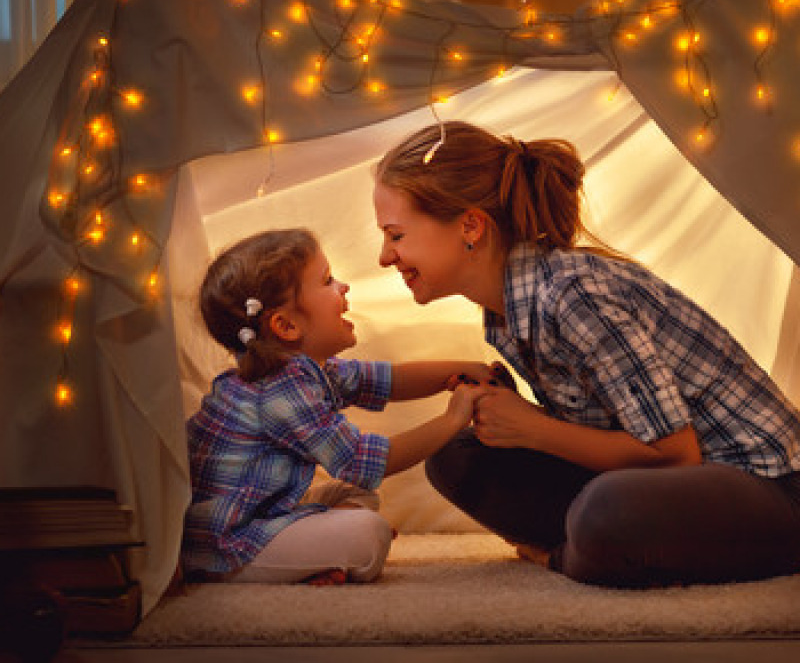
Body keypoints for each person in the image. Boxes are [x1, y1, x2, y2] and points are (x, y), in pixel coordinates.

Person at [373, 120, 800, 588]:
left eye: (396, 235)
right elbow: (606, 428)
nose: (385, 257)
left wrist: (534, 429)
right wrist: (508, 416)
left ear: (470, 226)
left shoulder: (575, 295)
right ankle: (597, 548)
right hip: (669, 485)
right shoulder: (504, 316)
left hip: (766, 486)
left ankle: (569, 557)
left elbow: (676, 455)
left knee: (608, 511)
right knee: (454, 457)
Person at [181, 227, 491, 586]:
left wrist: (462, 369)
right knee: (368, 535)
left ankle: (319, 553)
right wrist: (454, 419)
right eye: (327, 280)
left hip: (263, 511)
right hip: (228, 542)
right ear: (285, 325)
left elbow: (387, 380)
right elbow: (362, 462)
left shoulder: (305, 371)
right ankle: (323, 551)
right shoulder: (280, 389)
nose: (343, 286)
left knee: (354, 495)